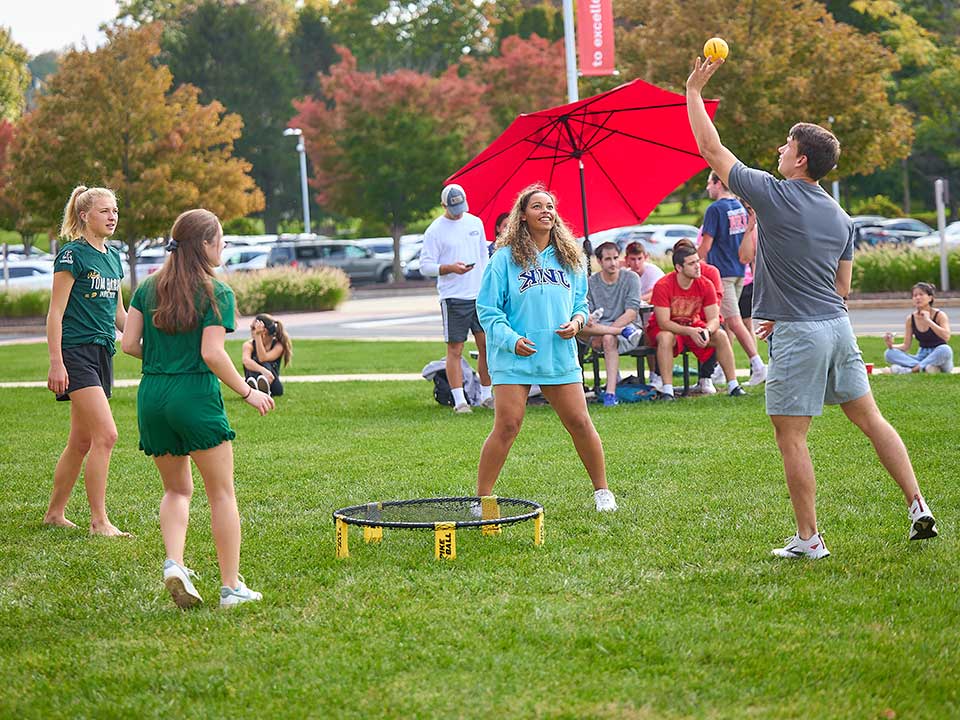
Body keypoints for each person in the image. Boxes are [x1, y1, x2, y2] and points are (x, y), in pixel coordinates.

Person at [686, 55, 938, 557]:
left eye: (787, 145)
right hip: (838, 327)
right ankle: (918, 504)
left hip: (801, 333)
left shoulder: (776, 195)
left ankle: (809, 540)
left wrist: (693, 91)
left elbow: (711, 149)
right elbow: (841, 285)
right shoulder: (842, 218)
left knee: (792, 436)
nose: (780, 150)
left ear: (800, 160)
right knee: (870, 419)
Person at [122, 209, 275, 609]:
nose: (223, 245)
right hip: (194, 395)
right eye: (220, 239)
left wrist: (162, 363)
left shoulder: (148, 287)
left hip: (152, 395)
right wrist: (247, 391)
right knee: (221, 493)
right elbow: (212, 353)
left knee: (176, 489)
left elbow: (128, 345)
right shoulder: (216, 291)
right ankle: (231, 588)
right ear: (205, 244)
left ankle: (175, 563)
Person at [476, 185, 617, 512]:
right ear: (522, 215)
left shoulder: (572, 257)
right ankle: (481, 498)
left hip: (558, 352)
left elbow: (581, 303)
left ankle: (602, 492)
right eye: (537, 206)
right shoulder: (504, 258)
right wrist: (511, 339)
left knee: (580, 422)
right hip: (514, 354)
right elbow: (488, 309)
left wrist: (578, 322)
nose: (546, 211)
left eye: (550, 206)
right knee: (508, 425)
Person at [44, 185, 129, 537]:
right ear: (85, 215)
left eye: (115, 211)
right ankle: (99, 522)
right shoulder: (71, 254)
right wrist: (55, 362)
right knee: (106, 435)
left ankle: (54, 514)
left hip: (101, 352)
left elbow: (119, 315)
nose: (112, 217)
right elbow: (55, 313)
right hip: (75, 352)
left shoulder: (113, 257)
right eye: (105, 211)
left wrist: (153, 340)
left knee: (80, 442)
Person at [420, 183, 494, 413]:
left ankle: (486, 395)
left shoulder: (475, 223)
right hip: (453, 297)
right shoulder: (435, 230)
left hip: (479, 294)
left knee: (486, 346)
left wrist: (487, 286)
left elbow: (484, 257)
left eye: (461, 206)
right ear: (444, 205)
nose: (458, 211)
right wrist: (449, 268)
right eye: (453, 208)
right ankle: (459, 399)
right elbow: (425, 266)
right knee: (455, 349)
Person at [644, 244, 745, 400]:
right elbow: (663, 323)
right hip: (668, 328)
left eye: (697, 261)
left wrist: (707, 331)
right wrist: (689, 331)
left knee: (721, 336)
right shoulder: (663, 285)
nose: (698, 266)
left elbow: (714, 319)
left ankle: (733, 386)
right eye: (692, 263)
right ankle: (667, 390)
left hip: (693, 324)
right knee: (665, 337)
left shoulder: (705, 284)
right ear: (679, 267)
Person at [699, 171, 767, 386]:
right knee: (728, 323)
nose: (708, 188)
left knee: (735, 323)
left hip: (722, 273)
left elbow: (707, 244)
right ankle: (721, 368)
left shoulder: (715, 209)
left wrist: (692, 261)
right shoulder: (739, 206)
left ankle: (758, 365)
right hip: (739, 270)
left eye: (709, 183)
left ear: (718, 183)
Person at [577, 242, 643, 406]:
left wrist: (609, 331)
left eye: (615, 258)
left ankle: (610, 394)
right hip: (603, 329)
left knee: (607, 338)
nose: (613, 263)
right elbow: (588, 315)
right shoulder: (591, 282)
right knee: (579, 325)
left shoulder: (631, 278)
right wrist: (594, 321)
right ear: (599, 261)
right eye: (607, 259)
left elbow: (632, 312)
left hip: (630, 328)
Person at [884, 282, 953, 374]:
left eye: (921, 294)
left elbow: (946, 336)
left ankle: (909, 370)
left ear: (930, 298)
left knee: (945, 349)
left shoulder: (940, 315)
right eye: (915, 295)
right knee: (889, 353)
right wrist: (891, 345)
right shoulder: (911, 318)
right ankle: (926, 368)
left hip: (939, 356)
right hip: (922, 355)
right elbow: (906, 345)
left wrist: (928, 321)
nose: (917, 298)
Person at [242, 313, 292, 396]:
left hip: (274, 385)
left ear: (264, 331)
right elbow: (246, 361)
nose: (251, 330)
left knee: (265, 364)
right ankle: (254, 385)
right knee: (253, 364)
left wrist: (258, 335)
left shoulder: (278, 346)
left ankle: (261, 387)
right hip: (252, 377)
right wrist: (262, 370)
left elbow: (262, 358)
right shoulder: (248, 345)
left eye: (253, 328)